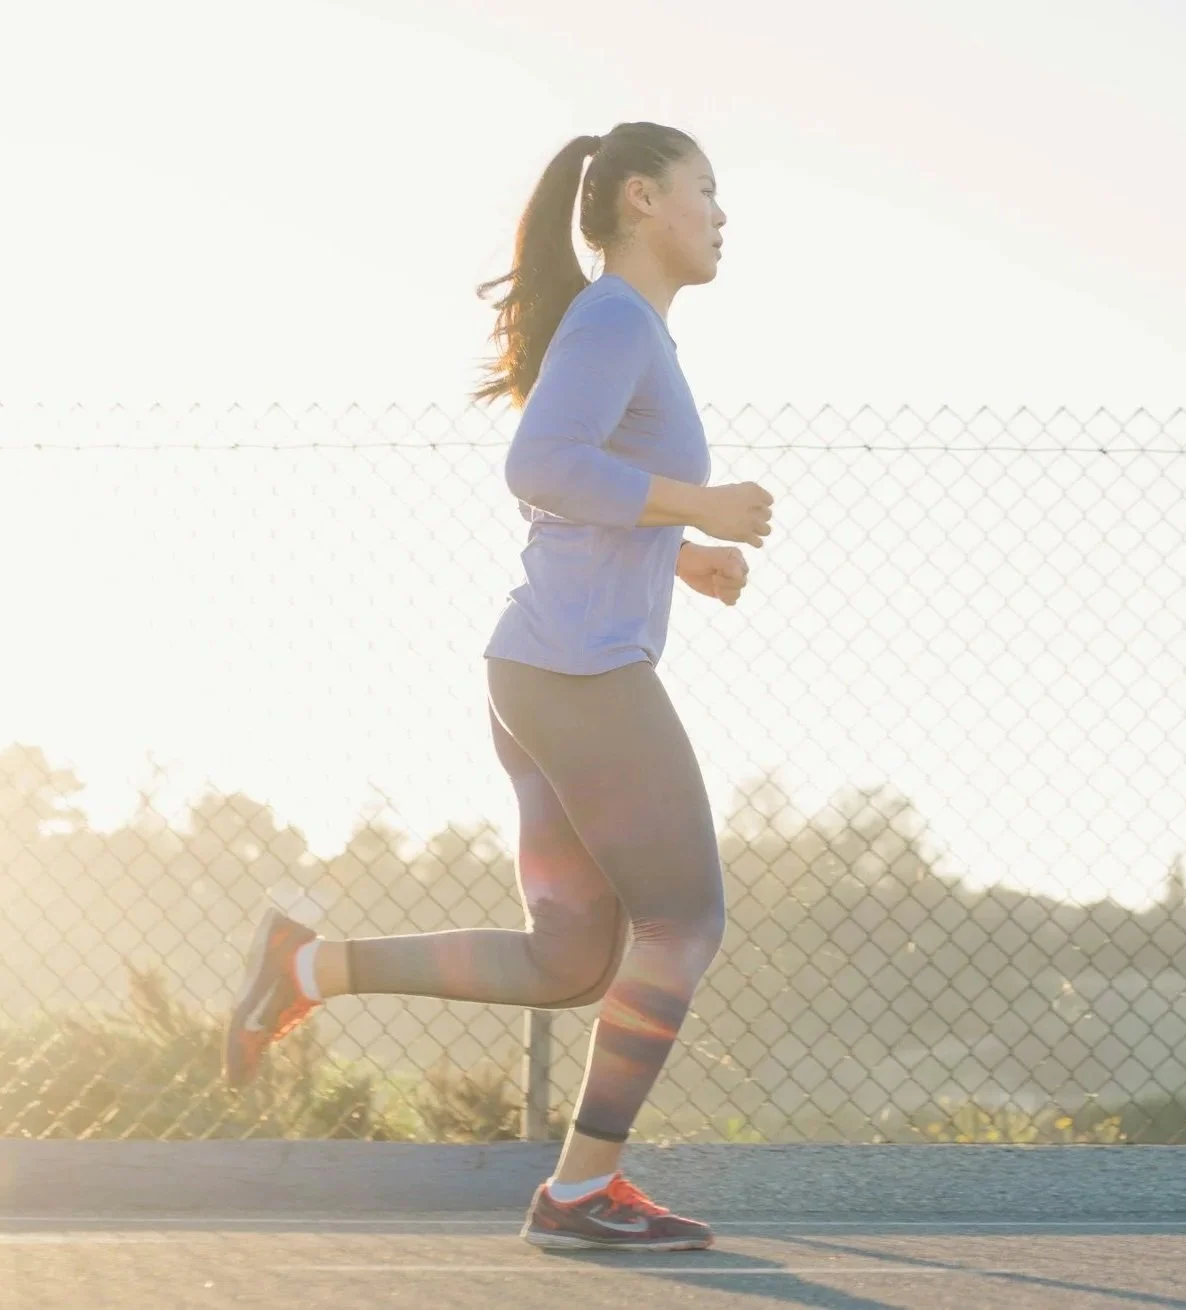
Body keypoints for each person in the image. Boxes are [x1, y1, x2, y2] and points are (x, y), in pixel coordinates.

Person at [223, 121, 770, 1252]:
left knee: (570, 958)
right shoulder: (617, 317)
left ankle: (303, 965)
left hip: (539, 669)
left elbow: (578, 491)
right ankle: (578, 1192)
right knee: (683, 917)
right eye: (704, 190)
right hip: (577, 672)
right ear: (637, 201)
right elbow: (540, 466)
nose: (722, 213)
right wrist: (697, 504)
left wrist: (679, 549)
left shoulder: (628, 329)